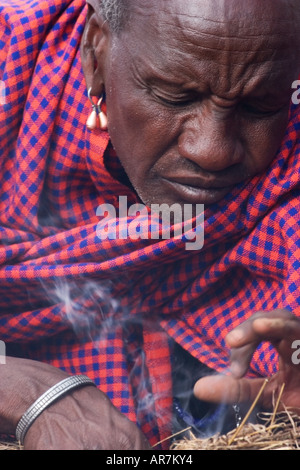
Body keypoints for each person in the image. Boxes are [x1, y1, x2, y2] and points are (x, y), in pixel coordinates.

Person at [0, 0, 300, 450]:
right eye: (175, 96)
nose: (212, 151)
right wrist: (34, 394)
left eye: (260, 106)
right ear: (95, 53)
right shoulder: (13, 61)